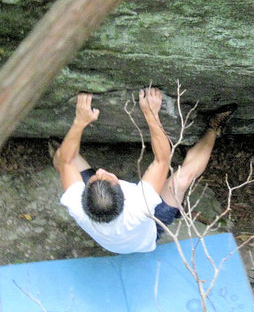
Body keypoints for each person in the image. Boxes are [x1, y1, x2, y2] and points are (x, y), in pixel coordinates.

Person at [53, 88, 236, 254]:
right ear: (124, 194)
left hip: (116, 237)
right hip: (151, 229)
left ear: (84, 196)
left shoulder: (76, 206)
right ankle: (213, 129)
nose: (100, 170)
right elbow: (162, 159)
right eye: (105, 176)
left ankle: (55, 150)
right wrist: (151, 114)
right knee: (182, 179)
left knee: (63, 156)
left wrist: (79, 121)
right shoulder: (140, 207)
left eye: (96, 176)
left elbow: (66, 160)